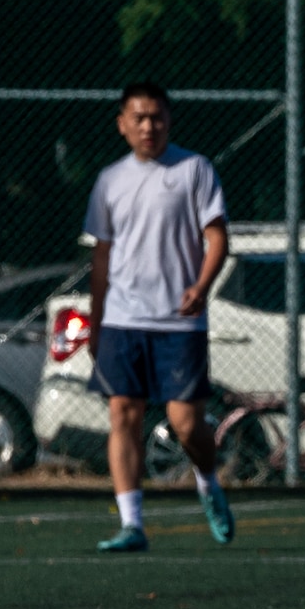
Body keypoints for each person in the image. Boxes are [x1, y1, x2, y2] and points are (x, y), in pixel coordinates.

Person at [85, 81, 234, 552]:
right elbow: (102, 257)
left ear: (169, 121)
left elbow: (218, 238)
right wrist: (97, 317)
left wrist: (201, 286)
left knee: (186, 423)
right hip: (123, 321)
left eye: (157, 117)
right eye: (140, 117)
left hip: (179, 322)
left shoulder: (194, 169)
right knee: (123, 416)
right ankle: (133, 525)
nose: (149, 126)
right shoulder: (110, 179)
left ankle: (208, 481)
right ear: (122, 124)